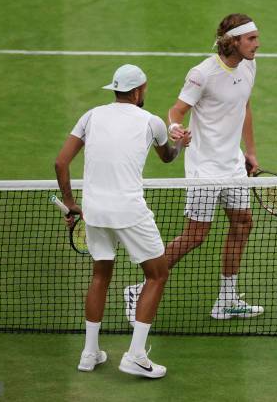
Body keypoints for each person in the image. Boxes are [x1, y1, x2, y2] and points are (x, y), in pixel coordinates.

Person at [125, 13, 263, 322]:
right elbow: (177, 110)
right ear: (234, 41)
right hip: (205, 168)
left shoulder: (250, 65)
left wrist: (250, 152)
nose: (257, 43)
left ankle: (226, 300)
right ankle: (138, 288)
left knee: (243, 225)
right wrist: (175, 128)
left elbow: (245, 106)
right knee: (196, 235)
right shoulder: (202, 74)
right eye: (251, 38)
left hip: (233, 164)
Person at [55, 64, 189, 378]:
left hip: (95, 210)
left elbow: (60, 162)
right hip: (128, 210)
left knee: (101, 275)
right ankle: (136, 354)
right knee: (157, 274)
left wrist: (72, 204)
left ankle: (90, 353)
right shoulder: (152, 121)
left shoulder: (91, 116)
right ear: (139, 90)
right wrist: (182, 144)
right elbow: (167, 157)